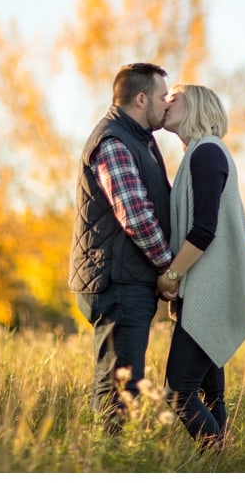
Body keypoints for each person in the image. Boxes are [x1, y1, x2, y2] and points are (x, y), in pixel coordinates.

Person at [155, 84, 245, 451]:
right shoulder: (200, 154)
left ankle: (217, 453)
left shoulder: (206, 154)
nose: (166, 102)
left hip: (209, 291)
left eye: (174, 96)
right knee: (212, 396)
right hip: (210, 289)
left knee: (178, 393)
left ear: (197, 105)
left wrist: (171, 275)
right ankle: (219, 466)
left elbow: (204, 229)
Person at [68, 62, 174, 433]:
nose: (168, 102)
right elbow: (135, 215)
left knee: (123, 383)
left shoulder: (138, 138)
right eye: (163, 95)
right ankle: (111, 462)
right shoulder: (113, 141)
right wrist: (169, 267)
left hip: (125, 276)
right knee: (119, 387)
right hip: (117, 280)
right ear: (141, 98)